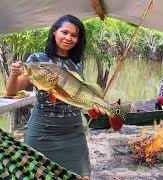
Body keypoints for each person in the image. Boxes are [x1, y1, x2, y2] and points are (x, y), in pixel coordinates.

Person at [6, 15, 100, 179]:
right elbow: (12, 91)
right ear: (54, 32)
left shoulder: (76, 63)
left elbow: (78, 97)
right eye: (64, 32)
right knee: (32, 175)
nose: (68, 38)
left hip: (73, 132)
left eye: (74, 35)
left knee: (81, 177)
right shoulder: (37, 60)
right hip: (42, 131)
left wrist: (94, 107)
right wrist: (14, 75)